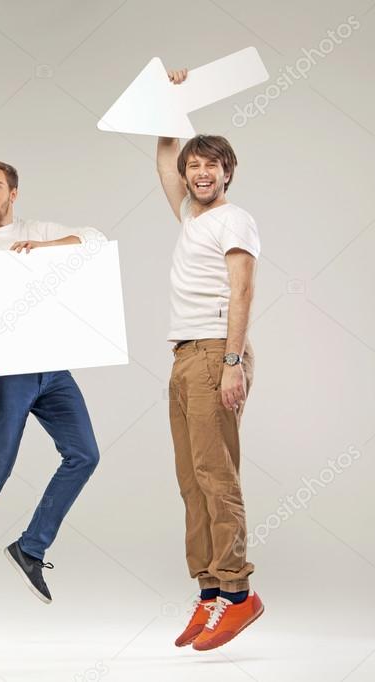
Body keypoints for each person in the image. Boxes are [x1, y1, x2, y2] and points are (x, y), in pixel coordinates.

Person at [0, 159, 104, 608]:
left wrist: (50, 245)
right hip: (3, 371)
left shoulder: (39, 227)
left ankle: (31, 548)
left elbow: (95, 239)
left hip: (51, 365)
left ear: (14, 192)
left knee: (84, 454)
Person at [157, 68, 264, 651]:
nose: (200, 172)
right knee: (190, 480)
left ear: (227, 172)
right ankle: (208, 594)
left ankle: (240, 594)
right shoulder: (190, 215)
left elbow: (243, 291)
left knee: (216, 475)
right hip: (183, 356)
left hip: (213, 353)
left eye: (211, 165)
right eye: (194, 166)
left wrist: (231, 362)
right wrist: (172, 102)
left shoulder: (233, 218)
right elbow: (165, 151)